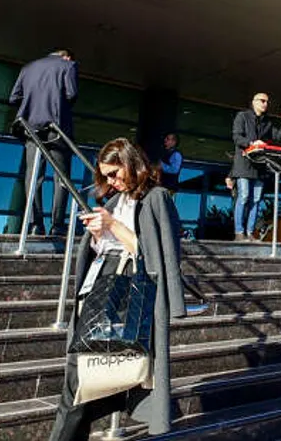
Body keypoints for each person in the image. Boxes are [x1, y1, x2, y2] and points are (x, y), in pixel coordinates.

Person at [48, 138, 186, 441]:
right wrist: (98, 235)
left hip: (130, 292)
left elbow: (158, 257)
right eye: (105, 176)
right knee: (78, 377)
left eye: (114, 173)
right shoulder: (114, 202)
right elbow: (104, 250)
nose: (111, 181)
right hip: (101, 288)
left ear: (130, 163)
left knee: (79, 382)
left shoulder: (157, 198)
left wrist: (112, 225)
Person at [10, 49, 79, 236]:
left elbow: (14, 98)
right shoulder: (68, 65)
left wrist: (33, 105)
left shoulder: (28, 68)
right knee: (61, 177)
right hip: (57, 128)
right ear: (66, 57)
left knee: (33, 176)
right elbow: (71, 94)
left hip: (31, 128)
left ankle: (35, 224)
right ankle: (57, 225)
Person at [229, 93, 281, 242]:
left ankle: (250, 233)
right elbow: (236, 137)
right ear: (254, 102)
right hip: (244, 164)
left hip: (260, 165)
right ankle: (239, 233)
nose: (265, 104)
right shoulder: (242, 116)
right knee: (244, 196)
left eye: (267, 102)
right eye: (262, 101)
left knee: (256, 199)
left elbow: (277, 137)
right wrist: (252, 143)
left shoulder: (267, 122)